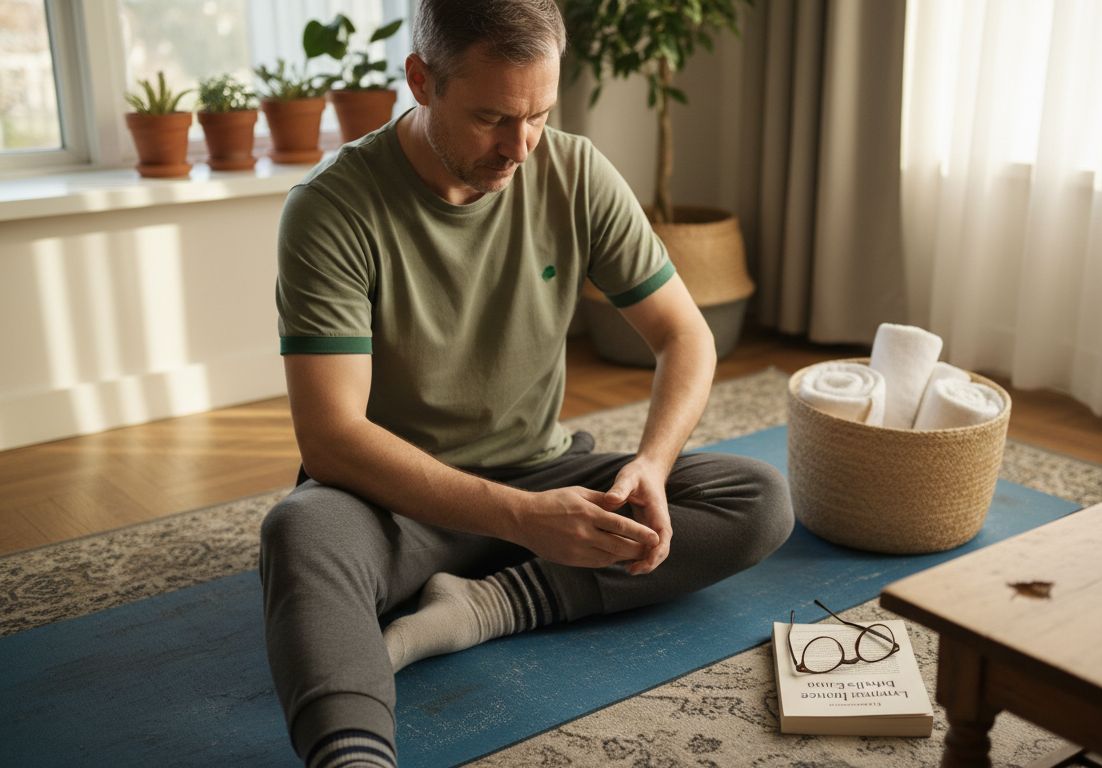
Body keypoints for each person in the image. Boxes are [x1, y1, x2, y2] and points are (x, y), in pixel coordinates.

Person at [258, 1, 794, 766]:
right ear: (421, 81)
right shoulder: (331, 209)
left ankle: (488, 604)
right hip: (395, 501)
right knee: (300, 533)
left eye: (540, 115)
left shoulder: (575, 172)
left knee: (758, 499)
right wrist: (522, 520)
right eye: (492, 119)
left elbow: (686, 336)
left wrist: (651, 465)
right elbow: (332, 439)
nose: (520, 147)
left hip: (545, 471)